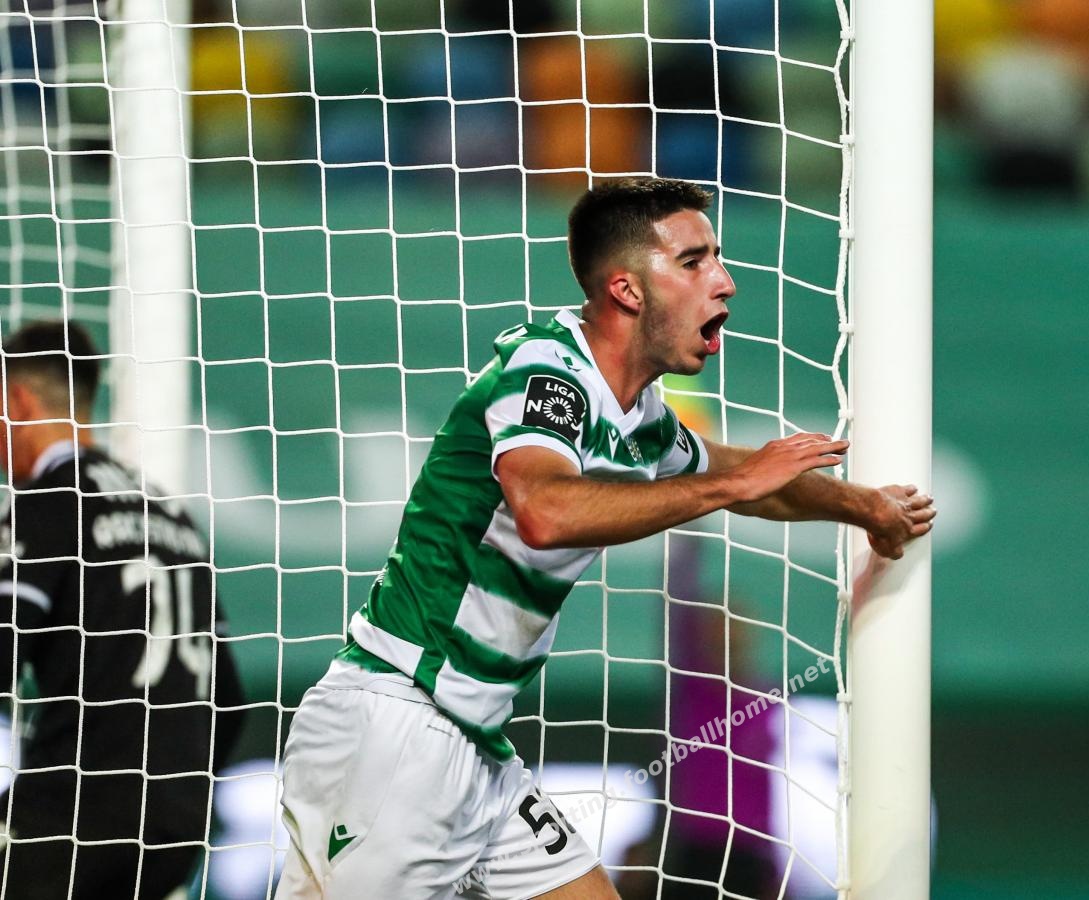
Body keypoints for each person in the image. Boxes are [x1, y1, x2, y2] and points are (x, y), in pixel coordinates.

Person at [277, 176, 935, 899]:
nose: (725, 281)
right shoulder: (547, 369)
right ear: (626, 289)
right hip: (397, 728)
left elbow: (749, 478)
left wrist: (864, 507)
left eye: (717, 259)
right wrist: (734, 486)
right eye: (694, 262)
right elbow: (545, 510)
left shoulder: (635, 413)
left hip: (476, 746)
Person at [0, 320, 245, 900]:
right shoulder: (171, 513)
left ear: (19, 401)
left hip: (71, 816)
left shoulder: (48, 501)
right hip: (176, 828)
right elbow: (230, 701)